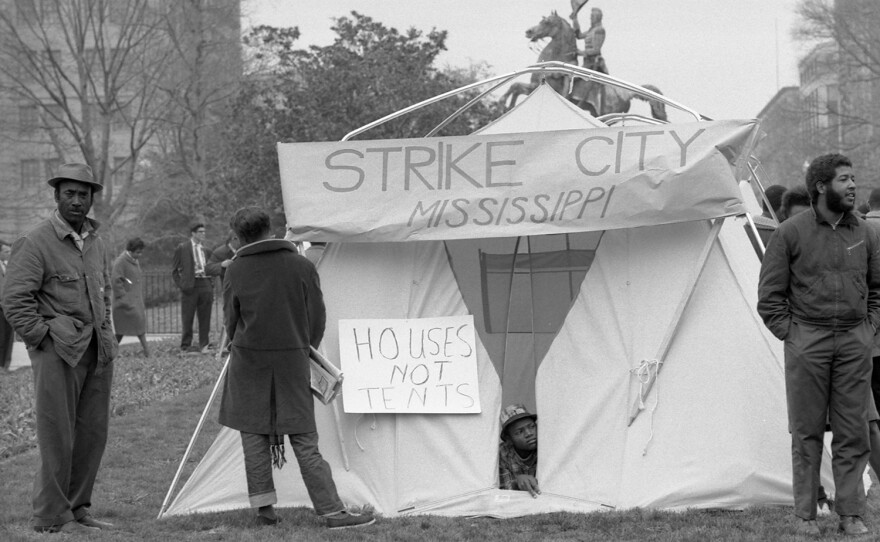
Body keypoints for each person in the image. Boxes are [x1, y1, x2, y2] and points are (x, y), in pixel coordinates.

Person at [219, 206, 375, 529]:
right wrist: (302, 349)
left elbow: (231, 324)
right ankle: (332, 511)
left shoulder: (234, 271)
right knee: (305, 441)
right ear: (270, 228)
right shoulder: (302, 266)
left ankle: (264, 512)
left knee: (254, 438)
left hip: (248, 365)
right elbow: (316, 319)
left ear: (239, 236)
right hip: (292, 364)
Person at [758, 153, 880, 537]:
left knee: (853, 430)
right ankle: (806, 515)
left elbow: (876, 289)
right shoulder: (789, 233)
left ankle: (851, 514)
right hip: (806, 340)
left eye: (854, 179)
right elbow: (770, 297)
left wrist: (868, 330)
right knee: (806, 431)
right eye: (844, 179)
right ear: (821, 186)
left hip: (853, 341)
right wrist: (792, 334)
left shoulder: (865, 232)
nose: (853, 186)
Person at [0, 162, 117, 533]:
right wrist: (43, 339)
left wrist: (107, 330)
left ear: (91, 199)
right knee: (57, 436)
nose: (77, 200)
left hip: (97, 351)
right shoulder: (34, 242)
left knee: (92, 435)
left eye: (84, 194)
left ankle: (78, 507)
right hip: (57, 353)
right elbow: (15, 301)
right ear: (56, 196)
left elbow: (105, 291)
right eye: (70, 193)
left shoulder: (96, 242)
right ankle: (50, 516)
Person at [171, 222, 223, 353]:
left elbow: (211, 267)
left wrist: (211, 284)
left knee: (205, 316)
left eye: (204, 232)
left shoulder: (206, 250)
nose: (203, 234)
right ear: (193, 233)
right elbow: (174, 270)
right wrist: (182, 285)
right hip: (190, 285)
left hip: (205, 284)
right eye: (200, 232)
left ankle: (204, 345)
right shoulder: (182, 248)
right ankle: (185, 346)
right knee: (187, 317)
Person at [112, 237, 149, 357]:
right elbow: (116, 281)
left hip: (135, 301)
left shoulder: (134, 260)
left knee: (136, 328)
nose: (140, 254)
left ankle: (147, 352)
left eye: (141, 252)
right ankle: (147, 353)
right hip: (124, 303)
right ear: (131, 250)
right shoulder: (121, 262)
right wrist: (124, 298)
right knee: (124, 331)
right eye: (138, 252)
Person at [498, 403, 540, 497]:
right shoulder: (502, 453)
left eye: (532, 427)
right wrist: (517, 482)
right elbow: (503, 490)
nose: (529, 433)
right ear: (509, 439)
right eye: (520, 432)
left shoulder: (546, 446)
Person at [571, 8, 607, 74]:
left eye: (592, 16)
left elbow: (596, 50)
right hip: (587, 62)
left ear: (598, 17)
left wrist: (580, 52)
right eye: (591, 17)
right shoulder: (591, 30)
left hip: (594, 63)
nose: (591, 19)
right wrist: (575, 19)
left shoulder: (599, 30)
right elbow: (579, 35)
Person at [0, 240, 13, 371]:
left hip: (9, 307)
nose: (9, 254)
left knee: (8, 337)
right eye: (6, 251)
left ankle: (5, 365)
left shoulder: (12, 267)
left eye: (10, 251)